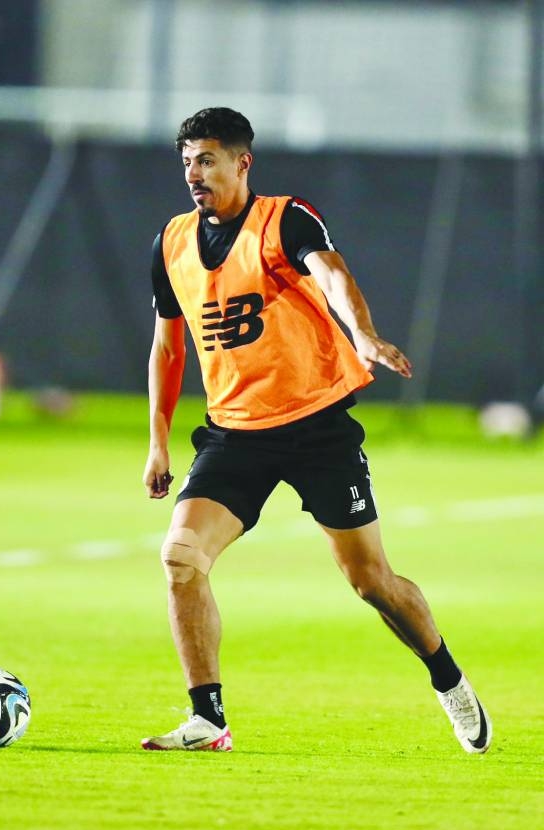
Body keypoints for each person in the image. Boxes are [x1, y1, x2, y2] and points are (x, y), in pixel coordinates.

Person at [141, 107, 490, 755]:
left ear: (243, 163)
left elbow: (331, 273)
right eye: (187, 161)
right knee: (181, 557)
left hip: (316, 426)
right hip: (235, 433)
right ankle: (208, 719)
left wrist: (364, 334)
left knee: (370, 581)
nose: (194, 173)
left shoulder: (285, 219)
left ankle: (449, 679)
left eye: (208, 159)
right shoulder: (171, 242)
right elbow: (168, 347)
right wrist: (158, 440)